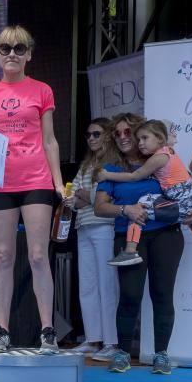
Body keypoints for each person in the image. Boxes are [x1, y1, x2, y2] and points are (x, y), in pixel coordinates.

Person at [0, 25, 64, 354]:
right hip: (0, 182)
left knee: (38, 255)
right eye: (6, 48)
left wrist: (56, 184)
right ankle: (2, 330)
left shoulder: (42, 91)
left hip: (36, 179)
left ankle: (47, 331)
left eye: (19, 48)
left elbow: (50, 140)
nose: (12, 53)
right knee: (3, 255)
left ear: (29, 55)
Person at [93, 112, 192, 375]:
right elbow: (99, 207)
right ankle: (122, 352)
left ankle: (161, 355)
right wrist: (125, 211)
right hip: (129, 236)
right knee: (130, 295)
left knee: (162, 294)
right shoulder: (111, 168)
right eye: (116, 133)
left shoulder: (162, 159)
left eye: (128, 132)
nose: (122, 137)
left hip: (166, 234)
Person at [97, 119, 192, 266]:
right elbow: (99, 207)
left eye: (144, 138)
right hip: (182, 199)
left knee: (141, 206)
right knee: (141, 205)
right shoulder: (168, 153)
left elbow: (134, 176)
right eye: (117, 133)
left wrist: (107, 175)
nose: (140, 142)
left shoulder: (158, 158)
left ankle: (130, 251)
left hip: (179, 205)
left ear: (159, 138)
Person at [63, 117, 119, 361]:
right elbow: (72, 194)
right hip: (84, 226)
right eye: (88, 135)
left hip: (105, 226)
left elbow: (113, 195)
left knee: (108, 285)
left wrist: (86, 196)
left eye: (96, 134)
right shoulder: (86, 164)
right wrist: (87, 197)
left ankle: (112, 342)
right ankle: (93, 339)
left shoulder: (115, 162)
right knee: (87, 285)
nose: (91, 138)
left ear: (107, 135)